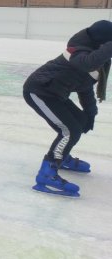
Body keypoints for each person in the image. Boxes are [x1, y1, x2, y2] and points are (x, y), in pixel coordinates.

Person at [23, 20, 112, 197]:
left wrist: (90, 113)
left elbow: (85, 87)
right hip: (39, 91)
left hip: (55, 93)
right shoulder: (78, 51)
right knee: (69, 131)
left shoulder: (97, 57)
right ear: (103, 42)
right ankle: (47, 174)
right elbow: (86, 64)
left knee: (79, 122)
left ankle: (61, 157)